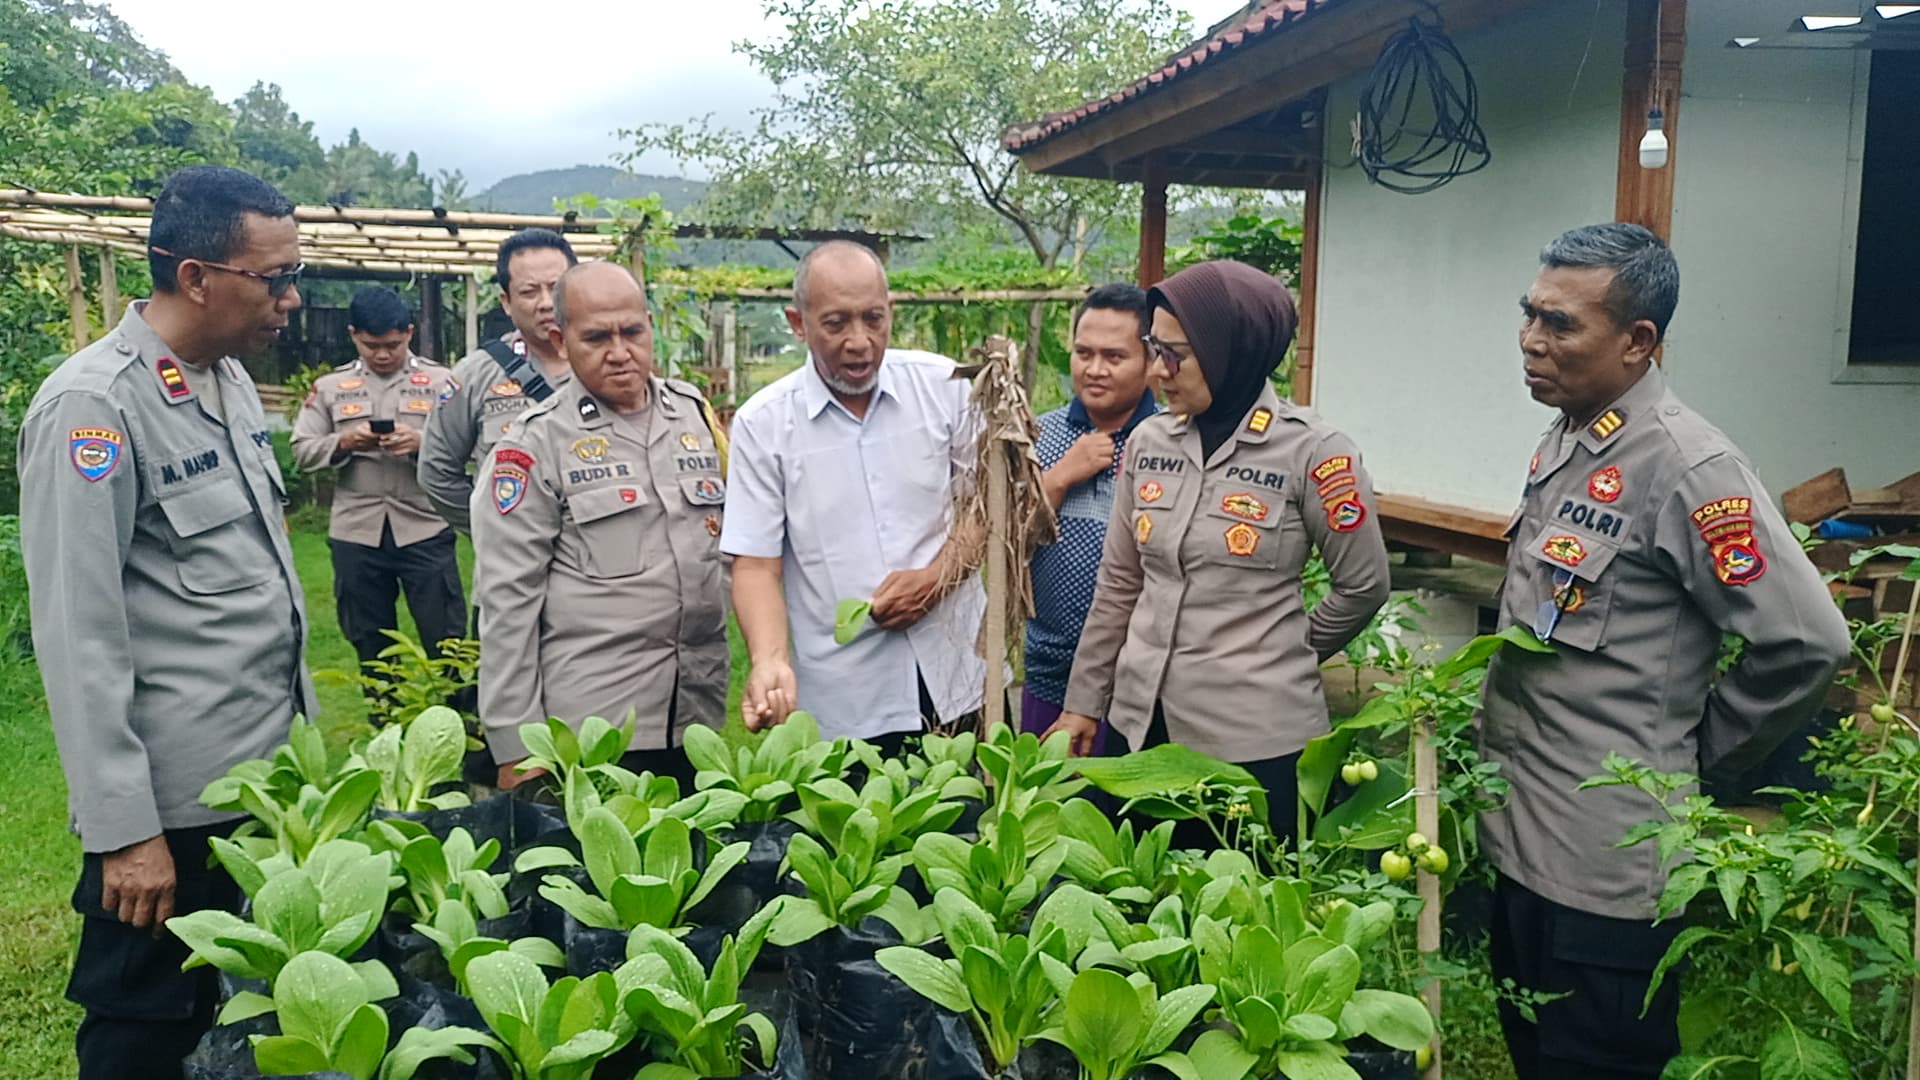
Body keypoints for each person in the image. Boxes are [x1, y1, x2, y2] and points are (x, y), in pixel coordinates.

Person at [1477, 223, 1850, 1080]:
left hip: (1608, 869)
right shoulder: (1570, 436)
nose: (1533, 340)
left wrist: (1700, 764)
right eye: (1529, 314)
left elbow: (1805, 641)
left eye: (1561, 324)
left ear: (1639, 342)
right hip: (1525, 836)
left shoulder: (1687, 464)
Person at [17, 164, 315, 1080]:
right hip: (174, 811)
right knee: (144, 1030)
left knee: (247, 1023)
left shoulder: (223, 381)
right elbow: (79, 632)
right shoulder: (92, 408)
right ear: (195, 276)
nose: (290, 301)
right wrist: (124, 830)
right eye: (273, 279)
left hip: (264, 790)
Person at [1047, 260, 1391, 837]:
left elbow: (1363, 585)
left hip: (1256, 743)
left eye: (1175, 353)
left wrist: (1286, 650)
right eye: (1155, 348)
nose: (1158, 370)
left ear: (1233, 348)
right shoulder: (1152, 440)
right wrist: (1084, 702)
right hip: (1144, 730)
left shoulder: (1313, 452)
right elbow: (1119, 584)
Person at [472, 262, 729, 792]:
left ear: (650, 326)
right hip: (597, 724)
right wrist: (516, 742)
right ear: (561, 342)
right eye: (596, 337)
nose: (619, 351)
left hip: (698, 713)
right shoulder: (533, 445)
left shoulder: (694, 418)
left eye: (632, 331)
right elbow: (506, 605)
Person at [722, 240, 988, 750]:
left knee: (973, 821)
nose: (860, 341)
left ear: (891, 311)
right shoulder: (765, 425)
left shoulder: (945, 386)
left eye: (873, 319)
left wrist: (936, 577)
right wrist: (770, 659)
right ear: (798, 323)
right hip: (845, 696)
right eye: (836, 323)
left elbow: (989, 505)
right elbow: (756, 563)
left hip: (957, 677)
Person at [291, 287, 463, 693]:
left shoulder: (442, 384)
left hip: (425, 527)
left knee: (449, 644)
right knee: (371, 643)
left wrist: (422, 444)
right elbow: (301, 450)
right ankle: (384, 733)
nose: (382, 355)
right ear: (353, 335)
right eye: (371, 345)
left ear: (408, 333)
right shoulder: (331, 388)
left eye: (392, 344)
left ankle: (461, 732)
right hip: (357, 533)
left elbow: (471, 451)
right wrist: (346, 443)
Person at [1022, 283, 1158, 753]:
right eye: (1083, 353)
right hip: (1048, 670)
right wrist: (1059, 478)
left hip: (1137, 683)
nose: (1094, 369)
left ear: (1149, 360)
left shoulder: (1169, 442)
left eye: (1114, 357)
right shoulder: (1038, 435)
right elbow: (1001, 548)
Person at [417, 227, 578, 531]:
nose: (546, 303)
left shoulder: (609, 365)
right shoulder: (475, 376)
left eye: (556, 288)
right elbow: (436, 473)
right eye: (530, 292)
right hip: (515, 566)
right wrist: (495, 532)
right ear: (506, 301)